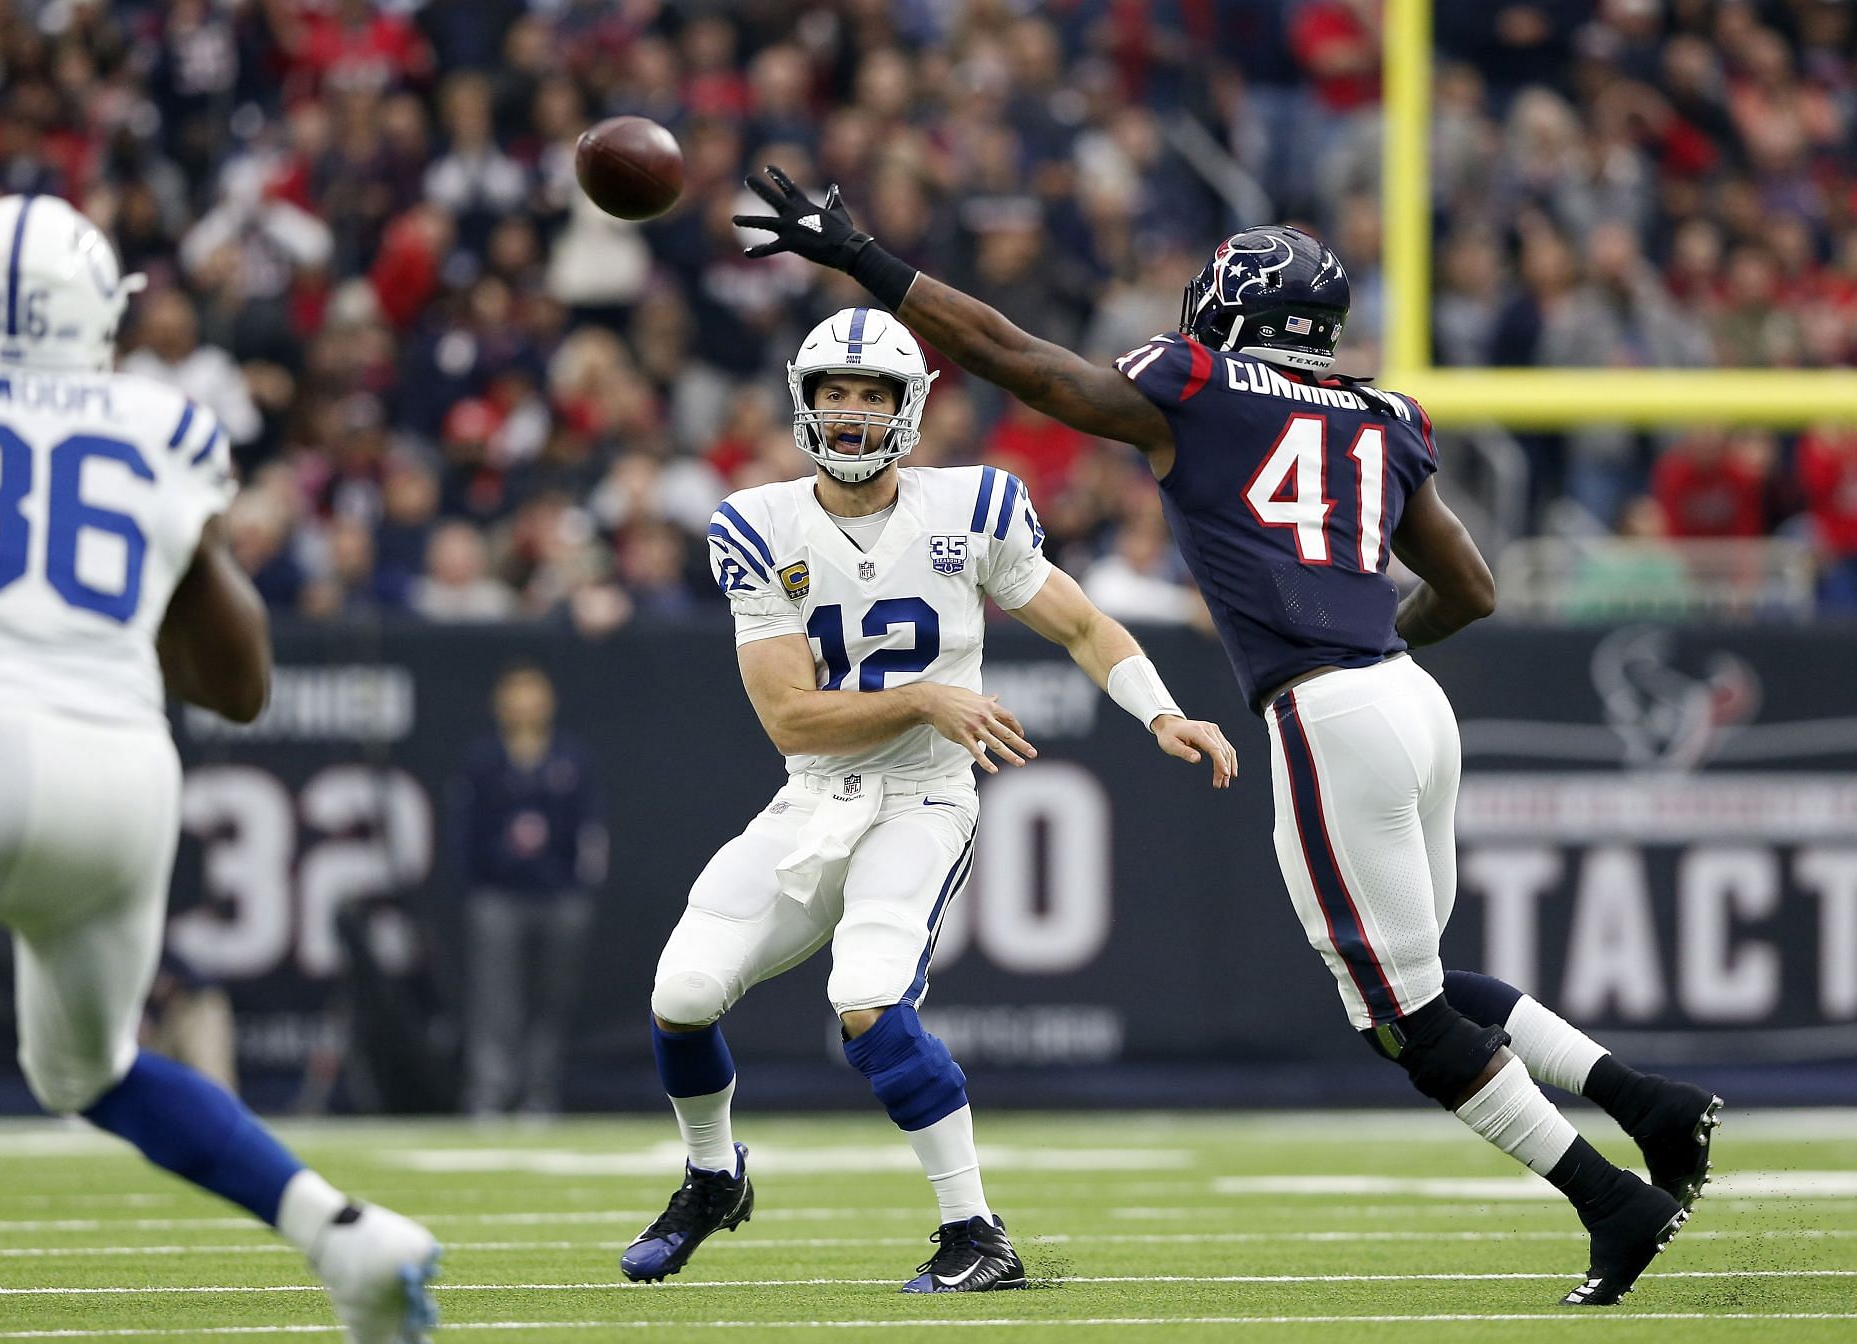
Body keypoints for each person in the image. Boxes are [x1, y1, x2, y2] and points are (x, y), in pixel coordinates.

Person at [734, 168, 1723, 1309]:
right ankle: (1652, 1106)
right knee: (1426, 981)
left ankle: (1614, 1201)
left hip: (1329, 710)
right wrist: (1369, 642)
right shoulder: (1382, 413)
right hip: (1410, 696)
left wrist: (866, 259)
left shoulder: (1196, 382)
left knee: (1400, 1020)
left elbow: (1022, 360)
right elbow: (1475, 590)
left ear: (1229, 308)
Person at [621, 306, 1237, 1292]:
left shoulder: (972, 508)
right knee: (682, 996)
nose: (855, 412)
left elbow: (1081, 625)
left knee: (865, 999)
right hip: (814, 794)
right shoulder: (758, 524)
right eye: (837, 392)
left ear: (910, 408)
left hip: (923, 799)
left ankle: (977, 1233)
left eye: (874, 393)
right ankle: (712, 1175)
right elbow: (790, 717)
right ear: (804, 403)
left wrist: (1160, 714)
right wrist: (922, 695)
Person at [0, 194, 439, 1343]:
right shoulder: (163, 426)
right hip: (125, 778)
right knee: (90, 1073)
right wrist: (191, 545)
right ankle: (346, 1236)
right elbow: (237, 686)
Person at [453, 663, 605, 1116]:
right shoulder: (483, 760)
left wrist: (579, 884)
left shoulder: (571, 759)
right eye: (515, 695)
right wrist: (480, 880)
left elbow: (590, 831)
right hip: (499, 896)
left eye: (532, 694)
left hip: (560, 896)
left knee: (552, 998)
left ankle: (540, 1090)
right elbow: (466, 831)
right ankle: (491, 1091)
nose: (524, 705)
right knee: (495, 998)